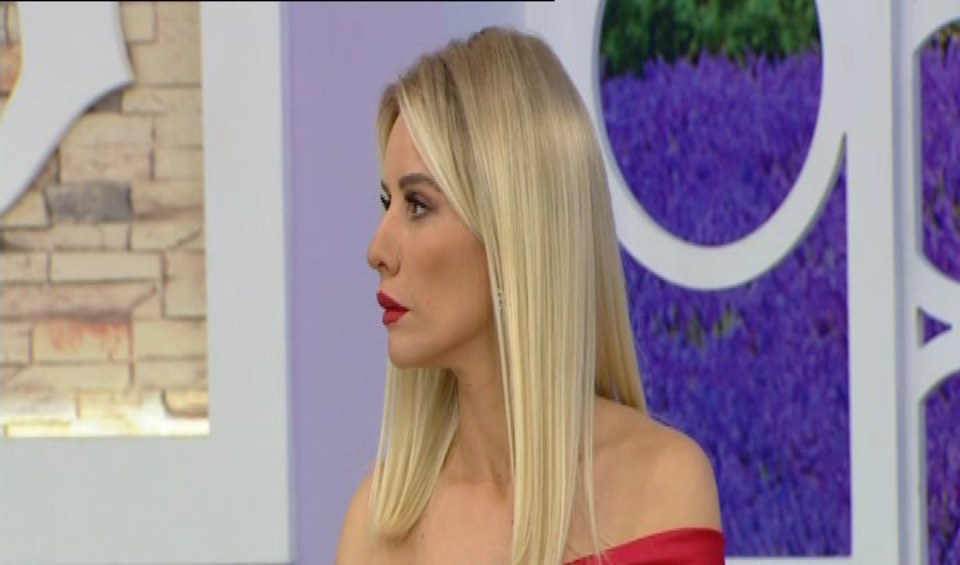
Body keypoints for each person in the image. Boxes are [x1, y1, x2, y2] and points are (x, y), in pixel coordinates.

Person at [337, 27, 724, 565]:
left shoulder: (663, 484)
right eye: (387, 203)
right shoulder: (377, 524)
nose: (377, 250)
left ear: (514, 227)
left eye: (418, 205)